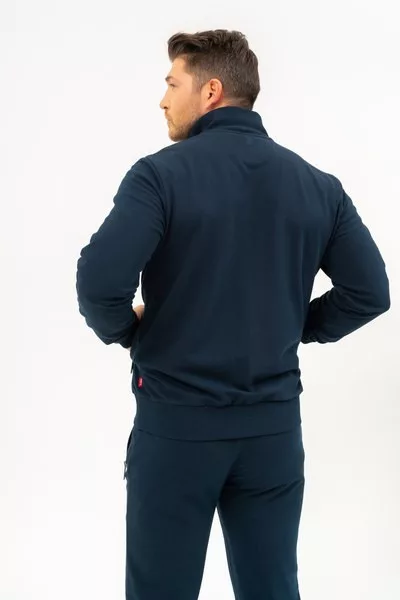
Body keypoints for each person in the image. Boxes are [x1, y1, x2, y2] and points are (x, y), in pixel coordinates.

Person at [76, 29, 390, 600]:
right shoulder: (318, 186)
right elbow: (369, 292)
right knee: (273, 590)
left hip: (177, 429)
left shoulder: (159, 175)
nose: (163, 99)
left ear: (211, 91)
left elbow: (99, 282)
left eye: (173, 84)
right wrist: (294, 325)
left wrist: (130, 331)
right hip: (272, 434)